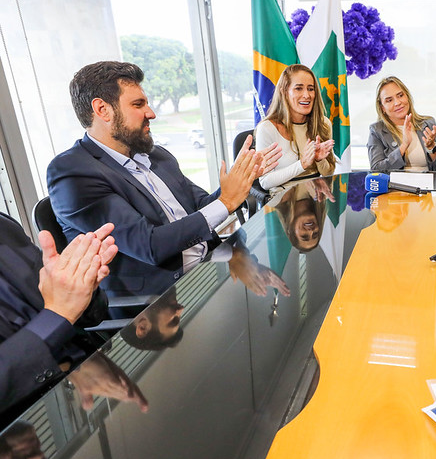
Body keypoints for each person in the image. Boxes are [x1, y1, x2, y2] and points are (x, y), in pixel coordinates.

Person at [47, 61, 280, 298]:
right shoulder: (73, 172)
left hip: (209, 268)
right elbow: (149, 246)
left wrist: (243, 181)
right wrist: (226, 202)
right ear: (102, 110)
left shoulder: (157, 155)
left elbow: (202, 206)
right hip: (161, 301)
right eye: (138, 104)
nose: (151, 113)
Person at [0, 214, 117, 413]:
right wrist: (58, 314)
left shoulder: (4, 226)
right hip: (29, 412)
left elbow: (92, 313)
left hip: (91, 369)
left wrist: (82, 286)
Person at [256, 64, 336, 192]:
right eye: (298, 88)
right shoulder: (267, 128)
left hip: (316, 199)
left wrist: (319, 160)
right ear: (284, 92)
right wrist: (302, 164)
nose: (307, 95)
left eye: (311, 89)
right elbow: (265, 182)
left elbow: (328, 173)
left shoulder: (323, 124)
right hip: (283, 203)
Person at [367, 76, 436, 172]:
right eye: (389, 100)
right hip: (396, 186)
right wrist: (404, 145)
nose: (397, 102)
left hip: (427, 185)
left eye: (400, 95)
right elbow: (376, 170)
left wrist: (432, 148)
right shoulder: (377, 131)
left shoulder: (428, 123)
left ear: (407, 97)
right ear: (383, 108)